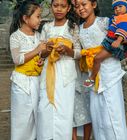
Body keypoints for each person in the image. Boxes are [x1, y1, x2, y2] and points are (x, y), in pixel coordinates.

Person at [75, 0, 127, 140]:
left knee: (112, 117)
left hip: (110, 76)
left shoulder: (105, 22)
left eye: (84, 4)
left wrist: (98, 59)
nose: (80, 8)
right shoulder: (79, 29)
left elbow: (119, 42)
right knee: (98, 118)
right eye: (77, 6)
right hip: (92, 79)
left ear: (93, 4)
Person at [37, 0, 81, 140]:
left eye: (63, 6)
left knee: (64, 109)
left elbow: (79, 52)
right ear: (51, 7)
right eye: (56, 6)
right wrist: (46, 50)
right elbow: (41, 53)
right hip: (48, 71)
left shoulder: (72, 27)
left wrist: (68, 50)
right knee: (45, 107)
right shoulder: (46, 28)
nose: (59, 9)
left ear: (68, 8)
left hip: (66, 74)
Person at [9, 1, 47, 140]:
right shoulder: (15, 36)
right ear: (25, 18)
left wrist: (41, 58)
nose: (40, 19)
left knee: (37, 118)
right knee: (22, 120)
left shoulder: (39, 36)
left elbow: (41, 55)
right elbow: (17, 59)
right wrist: (37, 50)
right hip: (21, 83)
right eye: (38, 16)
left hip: (37, 80)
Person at [82, 0, 127, 88]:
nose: (117, 9)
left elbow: (123, 30)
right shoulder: (118, 17)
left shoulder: (126, 18)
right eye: (115, 8)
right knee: (98, 58)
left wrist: (118, 41)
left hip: (117, 42)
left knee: (97, 58)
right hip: (111, 41)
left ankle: (92, 78)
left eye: (120, 7)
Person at [72, 63, 92, 140]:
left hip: (87, 73)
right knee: (71, 111)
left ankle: (86, 138)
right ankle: (74, 138)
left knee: (88, 110)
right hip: (71, 72)